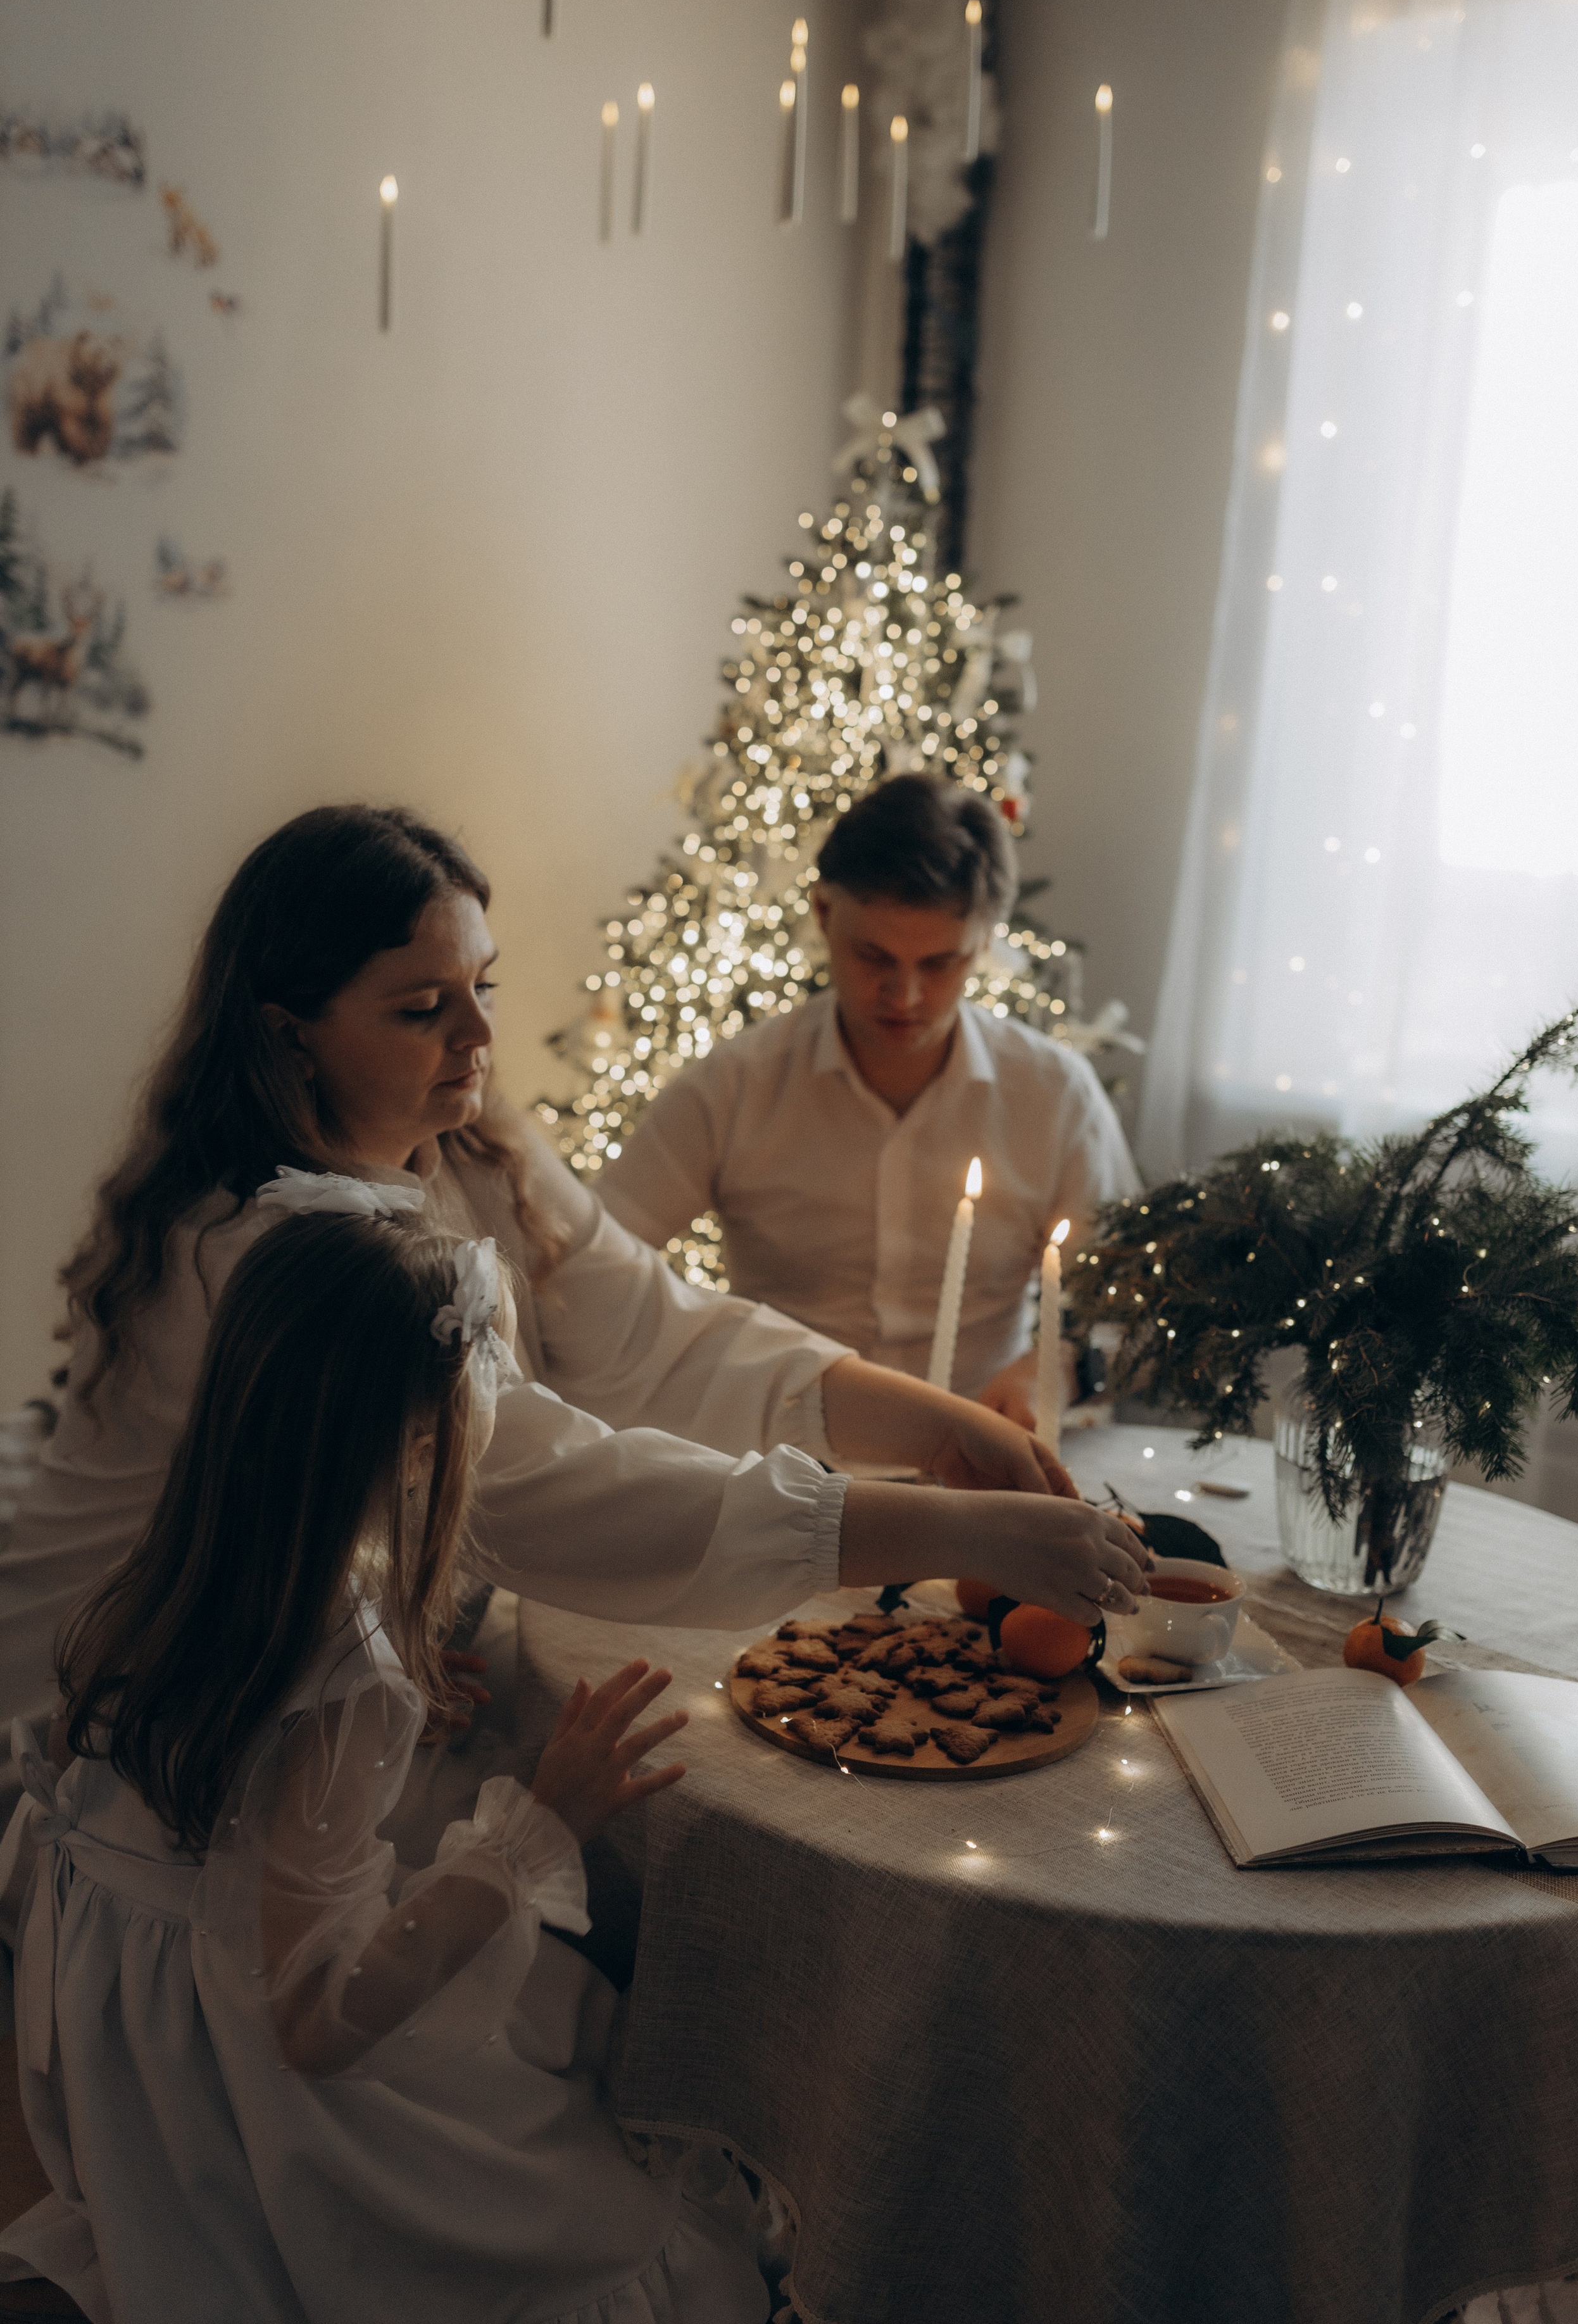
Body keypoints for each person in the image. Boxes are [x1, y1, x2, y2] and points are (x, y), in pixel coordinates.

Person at [0, 805, 1148, 1830]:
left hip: (348, 1670)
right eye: (423, 1008)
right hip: (146, 1710)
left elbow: (659, 1325)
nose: (479, 1036)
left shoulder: (466, 1142)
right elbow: (543, 1486)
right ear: (289, 1033)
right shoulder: (263, 1243)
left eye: (484, 987)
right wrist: (947, 1529)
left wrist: (936, 1423)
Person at [0, 1195, 772, 2322]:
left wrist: (345, 1733)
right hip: (259, 2074)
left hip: (131, 2048)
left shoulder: (157, 1578)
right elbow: (319, 2020)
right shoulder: (343, 1670)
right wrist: (539, 1826)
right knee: (603, 2208)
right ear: (423, 1445)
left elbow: (146, 1803)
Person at [599, 774, 1139, 1429]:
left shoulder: (1054, 1096)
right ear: (824, 914)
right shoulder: (734, 1086)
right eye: (873, 956)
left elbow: (1136, 1312)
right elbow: (592, 1265)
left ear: (987, 941)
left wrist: (1062, 1369)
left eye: (940, 963)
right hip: (778, 1455)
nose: (904, 996)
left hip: (981, 1447)